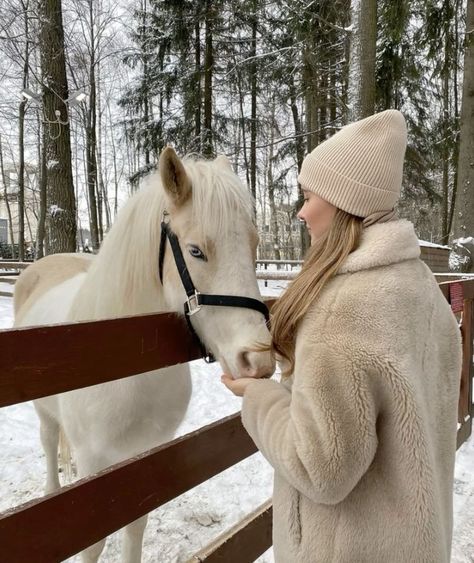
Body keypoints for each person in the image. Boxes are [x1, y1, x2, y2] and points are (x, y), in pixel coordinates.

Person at [221, 109, 462, 563]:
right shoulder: (421, 288)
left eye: (309, 196)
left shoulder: (343, 309)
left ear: (342, 201)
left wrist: (258, 396)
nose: (300, 211)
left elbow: (321, 469)